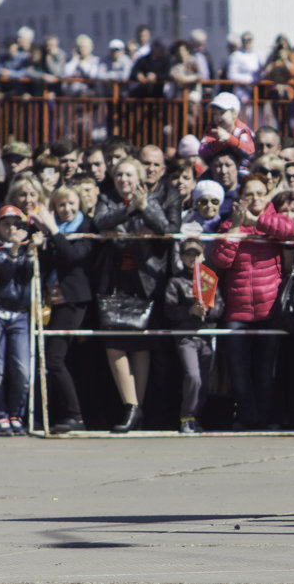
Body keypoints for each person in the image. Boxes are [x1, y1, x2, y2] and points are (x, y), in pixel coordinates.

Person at [93, 158, 175, 433]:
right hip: (116, 280)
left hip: (144, 281)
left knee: (142, 345)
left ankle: (137, 408)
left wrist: (143, 208)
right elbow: (99, 221)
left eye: (128, 175)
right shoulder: (107, 198)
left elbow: (166, 228)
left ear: (139, 177)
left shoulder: (148, 198)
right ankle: (130, 406)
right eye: (119, 175)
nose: (123, 179)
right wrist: (129, 209)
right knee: (113, 344)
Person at [212, 173, 294, 430]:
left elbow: (288, 230)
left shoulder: (275, 220)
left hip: (269, 309)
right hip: (237, 311)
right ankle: (247, 417)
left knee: (265, 371)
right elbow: (221, 261)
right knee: (239, 370)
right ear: (241, 198)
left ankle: (267, 417)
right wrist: (238, 228)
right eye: (250, 194)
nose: (256, 198)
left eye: (260, 193)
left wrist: (257, 221)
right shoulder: (229, 225)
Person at [34, 187, 94, 433]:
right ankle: (63, 414)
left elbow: (73, 257)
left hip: (74, 300)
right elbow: (51, 263)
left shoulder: (86, 226)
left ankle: (75, 416)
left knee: (55, 359)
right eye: (61, 205)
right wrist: (43, 241)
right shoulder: (56, 231)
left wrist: (54, 231)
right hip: (55, 300)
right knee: (55, 360)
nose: (67, 209)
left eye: (71, 203)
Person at [164, 237, 224, 433]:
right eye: (188, 254)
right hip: (186, 336)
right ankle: (186, 416)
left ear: (203, 256)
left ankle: (195, 416)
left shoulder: (209, 278)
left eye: (196, 254)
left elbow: (220, 307)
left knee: (205, 381)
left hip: (207, 335)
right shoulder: (176, 281)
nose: (192, 258)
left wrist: (208, 310)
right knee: (193, 376)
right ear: (181, 257)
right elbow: (169, 310)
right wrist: (190, 311)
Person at [0, 205, 36, 436]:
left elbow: (29, 274)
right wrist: (14, 249)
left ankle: (17, 414)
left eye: (16, 224)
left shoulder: (27, 248)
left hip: (21, 314)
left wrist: (31, 252)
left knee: (22, 370)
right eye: (6, 224)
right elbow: (3, 274)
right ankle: (0, 416)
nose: (12, 229)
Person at [199, 92, 256, 169]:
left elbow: (250, 152)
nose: (218, 117)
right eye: (215, 113)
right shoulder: (211, 129)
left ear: (234, 114)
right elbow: (202, 152)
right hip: (217, 169)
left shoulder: (241, 131)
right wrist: (218, 143)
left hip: (241, 169)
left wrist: (230, 139)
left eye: (222, 113)